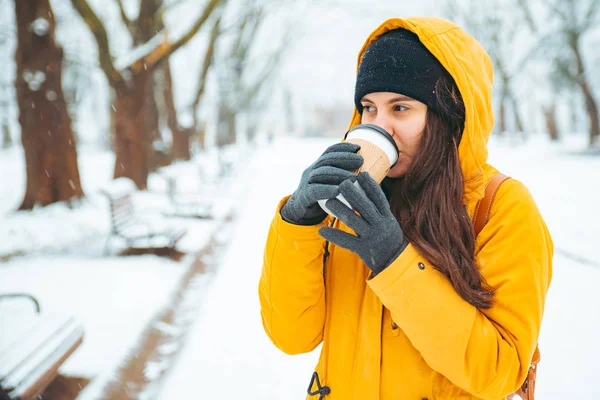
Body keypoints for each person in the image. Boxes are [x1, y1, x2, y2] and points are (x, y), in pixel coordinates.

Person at [258, 17, 553, 400]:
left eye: (400, 108)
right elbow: (292, 335)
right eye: (369, 108)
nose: (381, 126)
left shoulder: (502, 208)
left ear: (449, 115)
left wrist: (395, 262)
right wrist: (298, 222)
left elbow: (499, 371)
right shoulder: (350, 204)